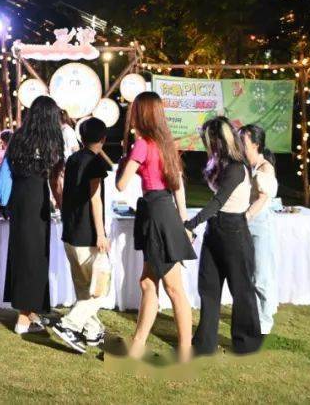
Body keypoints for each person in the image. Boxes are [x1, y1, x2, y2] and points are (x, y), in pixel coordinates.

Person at [116, 91, 195, 362]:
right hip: (164, 211)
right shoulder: (166, 144)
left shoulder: (142, 145)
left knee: (173, 288)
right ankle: (138, 346)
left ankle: (184, 351)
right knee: (148, 282)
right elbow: (178, 185)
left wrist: (126, 160)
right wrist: (184, 221)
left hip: (156, 214)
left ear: (142, 114)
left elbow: (121, 184)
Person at [185, 117, 263, 356]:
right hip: (216, 230)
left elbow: (217, 202)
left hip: (234, 231)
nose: (207, 145)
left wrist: (191, 224)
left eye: (209, 140)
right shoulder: (220, 163)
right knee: (208, 287)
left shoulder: (237, 168)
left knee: (241, 290)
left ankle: (247, 342)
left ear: (219, 140)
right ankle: (205, 343)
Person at [3, 95, 65, 335]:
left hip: (18, 199)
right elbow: (55, 179)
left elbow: (11, 167)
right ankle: (23, 317)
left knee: (23, 253)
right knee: (35, 256)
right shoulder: (52, 140)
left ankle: (30, 311)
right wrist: (61, 204)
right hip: (37, 199)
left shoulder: (19, 137)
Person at [52, 117, 112, 353]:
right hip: (87, 234)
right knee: (100, 288)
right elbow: (95, 199)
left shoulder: (73, 158)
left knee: (83, 287)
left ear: (81, 137)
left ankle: (92, 330)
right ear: (103, 139)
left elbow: (63, 189)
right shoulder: (95, 162)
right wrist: (101, 234)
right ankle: (70, 324)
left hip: (71, 231)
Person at [240, 123, 279, 335]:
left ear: (255, 144)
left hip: (258, 225)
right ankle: (251, 315)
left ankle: (264, 322)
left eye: (243, 140)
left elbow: (262, 199)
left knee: (260, 275)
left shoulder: (265, 168)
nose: (239, 143)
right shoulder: (245, 165)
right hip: (245, 223)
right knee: (247, 274)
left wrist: (245, 217)